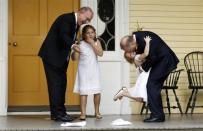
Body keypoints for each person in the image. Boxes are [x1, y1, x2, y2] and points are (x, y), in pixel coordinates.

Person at [38, 7, 93, 122]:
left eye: (89, 20)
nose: (86, 22)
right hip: (52, 57)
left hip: (60, 59)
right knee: (56, 85)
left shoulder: (75, 23)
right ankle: (58, 114)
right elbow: (63, 36)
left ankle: (59, 113)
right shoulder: (67, 19)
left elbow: (69, 38)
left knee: (61, 84)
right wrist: (73, 46)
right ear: (80, 12)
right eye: (86, 19)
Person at [120, 31, 179, 122]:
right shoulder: (138, 38)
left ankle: (157, 116)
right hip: (160, 61)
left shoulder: (142, 40)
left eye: (127, 50)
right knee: (152, 86)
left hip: (164, 61)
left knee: (152, 85)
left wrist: (142, 68)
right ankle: (157, 115)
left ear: (131, 43)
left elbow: (152, 57)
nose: (129, 52)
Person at [71, 24, 103, 120]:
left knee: (96, 91)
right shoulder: (80, 44)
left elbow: (100, 53)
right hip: (83, 72)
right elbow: (74, 59)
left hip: (94, 71)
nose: (90, 35)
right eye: (88, 33)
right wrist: (75, 50)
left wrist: (93, 43)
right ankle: (83, 113)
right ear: (83, 35)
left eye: (92, 32)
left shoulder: (97, 42)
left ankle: (97, 111)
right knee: (83, 92)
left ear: (95, 33)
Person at [114, 36, 152, 103]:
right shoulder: (137, 57)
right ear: (131, 58)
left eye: (130, 51)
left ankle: (124, 92)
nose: (132, 52)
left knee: (142, 99)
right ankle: (123, 92)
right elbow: (146, 53)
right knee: (142, 99)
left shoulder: (136, 58)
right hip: (144, 78)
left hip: (143, 78)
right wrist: (147, 42)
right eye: (130, 54)